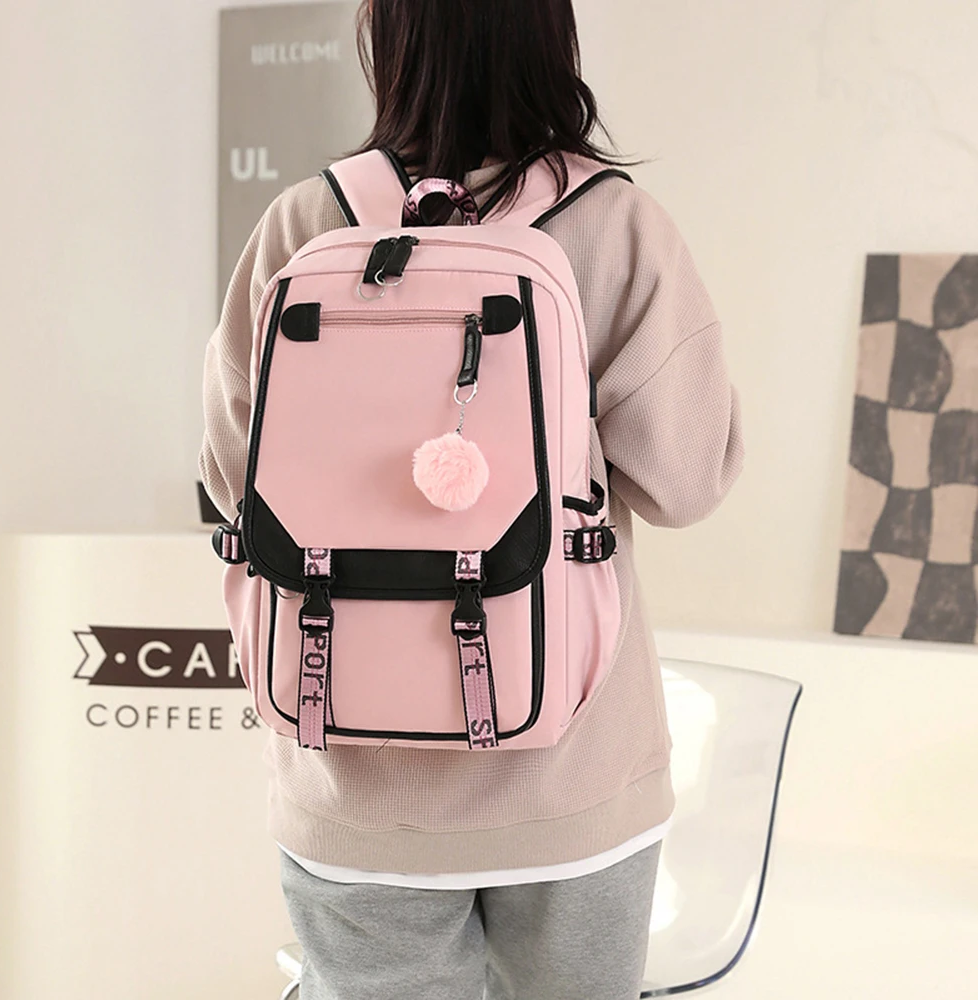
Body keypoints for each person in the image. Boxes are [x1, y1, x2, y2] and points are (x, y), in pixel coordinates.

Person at [201, 0, 743, 996]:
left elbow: (234, 479)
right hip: (573, 782)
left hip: (350, 777)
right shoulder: (614, 223)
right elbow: (688, 479)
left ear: (389, 39)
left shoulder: (303, 223)